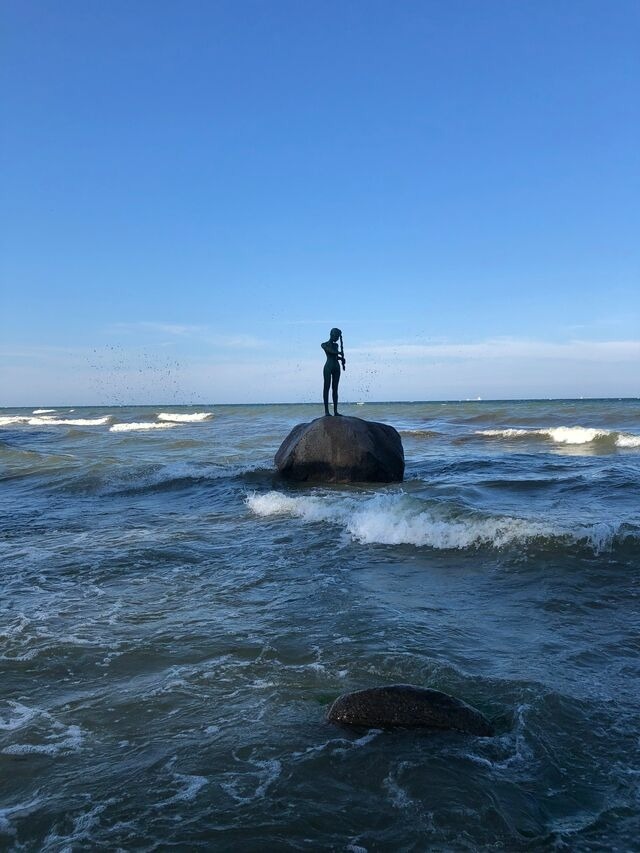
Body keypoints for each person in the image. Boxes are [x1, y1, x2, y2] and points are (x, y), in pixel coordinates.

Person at [321, 328, 345, 416]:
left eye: (339, 337)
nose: (337, 338)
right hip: (328, 367)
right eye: (336, 336)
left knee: (335, 389)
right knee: (326, 387)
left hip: (336, 367)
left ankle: (335, 411)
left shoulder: (336, 345)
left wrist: (342, 358)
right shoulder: (324, 344)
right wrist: (339, 353)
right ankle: (326, 411)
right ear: (332, 334)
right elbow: (330, 351)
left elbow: (335, 356)